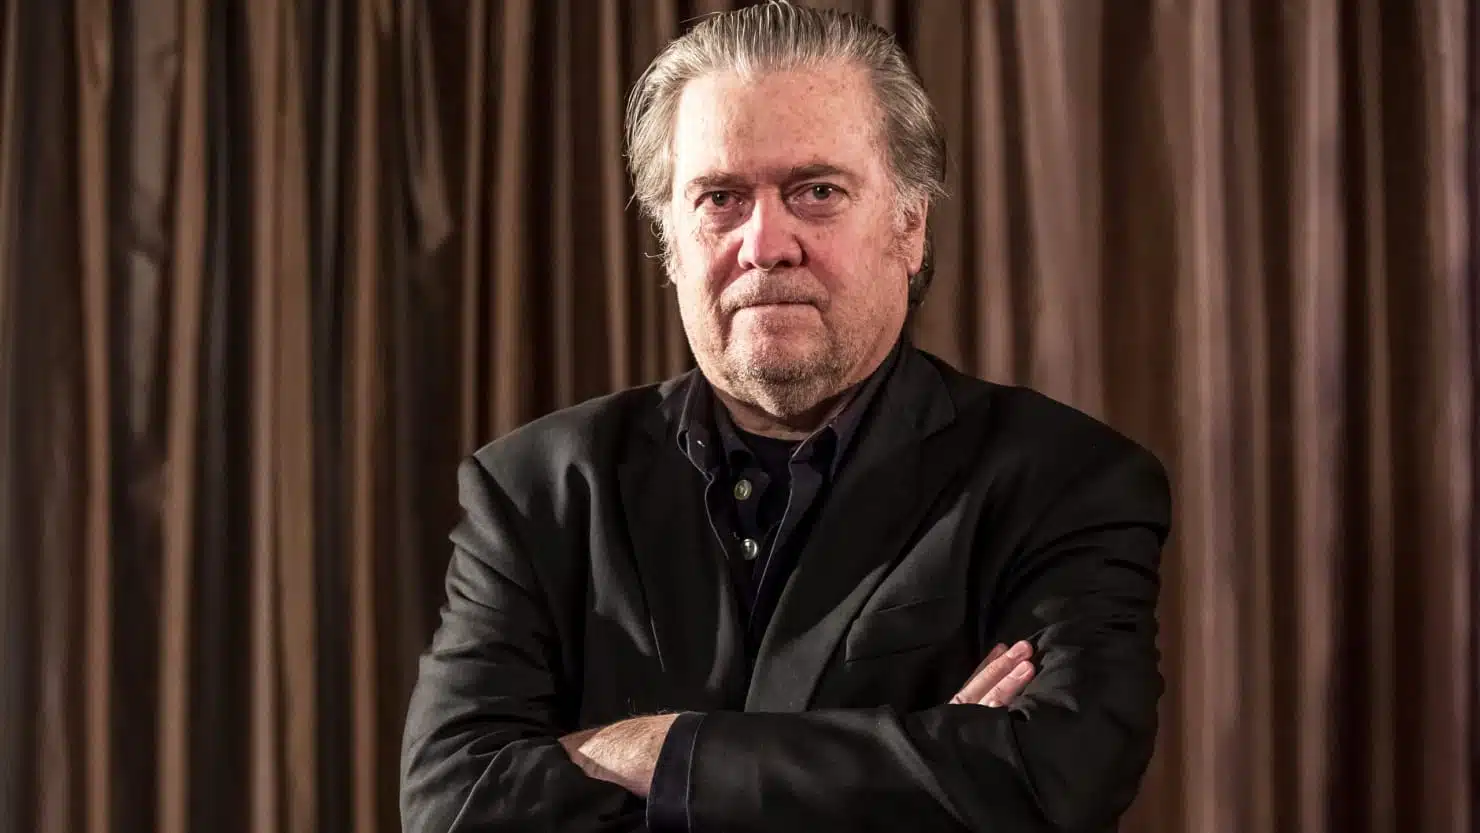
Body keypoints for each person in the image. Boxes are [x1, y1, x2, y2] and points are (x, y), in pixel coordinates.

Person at [400, 3, 1170, 831]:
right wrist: (919, 761)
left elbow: (1049, 780)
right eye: (720, 198)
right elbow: (453, 804)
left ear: (910, 225)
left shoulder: (1065, 482)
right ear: (669, 240)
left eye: (817, 192)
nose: (766, 243)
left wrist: (661, 752)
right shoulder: (532, 490)